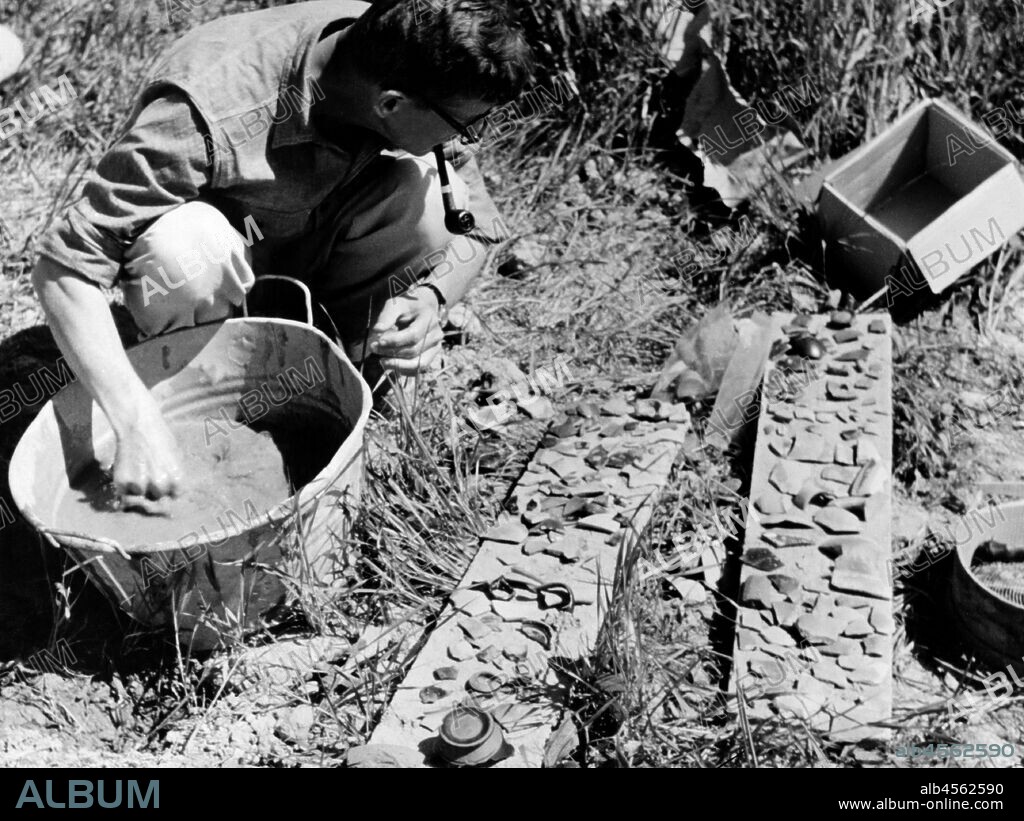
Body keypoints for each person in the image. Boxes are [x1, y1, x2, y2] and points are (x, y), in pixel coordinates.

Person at [31, 0, 534, 502]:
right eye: (466, 125)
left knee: (426, 199)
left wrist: (431, 298)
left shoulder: (403, 52)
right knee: (185, 250)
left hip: (318, 245)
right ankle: (196, 408)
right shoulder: (207, 107)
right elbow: (64, 268)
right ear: (391, 104)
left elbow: (477, 224)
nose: (469, 138)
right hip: (225, 273)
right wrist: (133, 420)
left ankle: (342, 369)